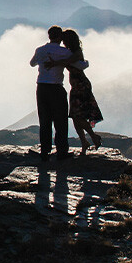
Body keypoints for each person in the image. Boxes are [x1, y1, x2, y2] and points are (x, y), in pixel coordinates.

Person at [29, 26, 87, 161]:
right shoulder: (64, 52)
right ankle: (61, 151)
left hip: (41, 87)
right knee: (60, 120)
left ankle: (45, 150)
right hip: (56, 87)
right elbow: (81, 65)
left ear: (49, 36)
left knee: (44, 119)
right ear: (60, 37)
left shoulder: (40, 50)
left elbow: (32, 63)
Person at [60, 29, 103, 156]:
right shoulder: (72, 52)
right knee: (75, 116)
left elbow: (66, 62)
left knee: (78, 115)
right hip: (76, 85)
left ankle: (93, 137)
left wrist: (53, 61)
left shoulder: (76, 53)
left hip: (81, 85)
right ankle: (84, 141)